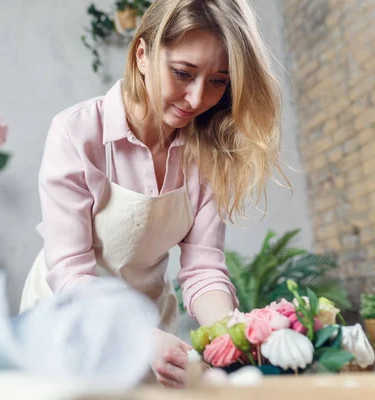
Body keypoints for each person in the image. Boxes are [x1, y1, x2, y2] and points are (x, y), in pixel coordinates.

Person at [20, 0, 287, 388]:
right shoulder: (78, 133)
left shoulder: (208, 152)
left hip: (151, 326)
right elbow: (70, 272)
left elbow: (203, 270)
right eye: (183, 73)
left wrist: (232, 334)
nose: (197, 99)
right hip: (68, 321)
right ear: (142, 55)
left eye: (218, 81)